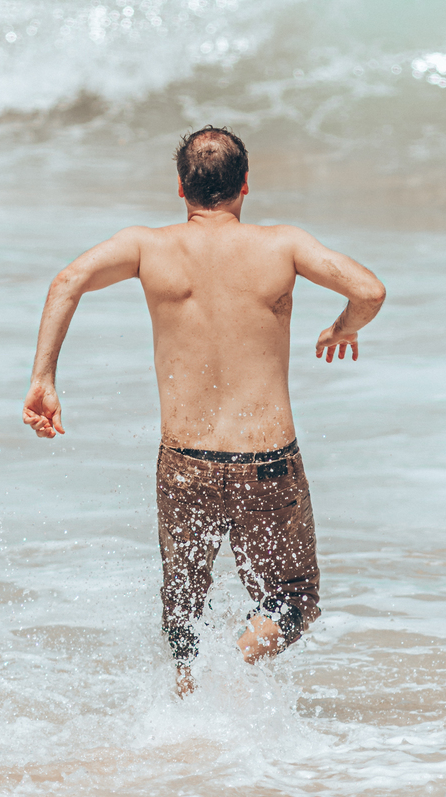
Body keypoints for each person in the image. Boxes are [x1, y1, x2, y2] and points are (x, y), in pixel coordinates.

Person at [22, 127, 385, 693]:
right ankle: (233, 667)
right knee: (291, 601)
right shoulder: (282, 245)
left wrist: (44, 377)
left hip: (184, 462)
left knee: (184, 610)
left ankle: (192, 702)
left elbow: (67, 280)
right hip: (266, 461)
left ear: (180, 188)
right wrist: (343, 327)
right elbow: (369, 289)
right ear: (245, 185)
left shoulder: (147, 247)